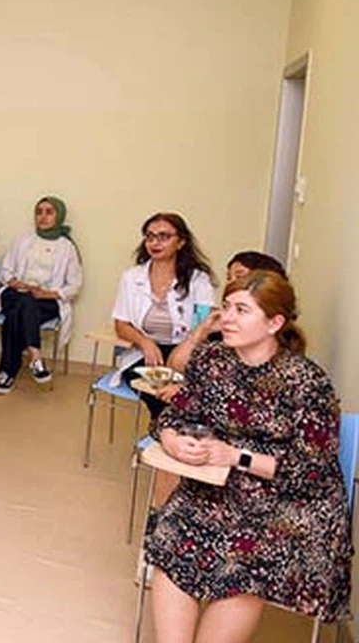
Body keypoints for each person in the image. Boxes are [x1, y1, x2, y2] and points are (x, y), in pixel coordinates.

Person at [146, 271, 352, 641]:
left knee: (247, 553)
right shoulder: (212, 360)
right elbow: (175, 416)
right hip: (221, 483)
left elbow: (311, 473)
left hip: (290, 500)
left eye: (241, 310)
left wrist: (234, 455)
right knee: (172, 529)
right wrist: (173, 441)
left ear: (274, 323)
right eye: (226, 307)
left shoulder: (306, 382)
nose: (227, 318)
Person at [112, 213, 215, 420]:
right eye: (150, 237)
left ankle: (166, 429)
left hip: (186, 350)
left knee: (190, 389)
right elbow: (121, 324)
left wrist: (183, 351)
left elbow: (203, 324)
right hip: (145, 354)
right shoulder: (132, 277)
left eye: (164, 237)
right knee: (158, 390)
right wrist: (145, 342)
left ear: (181, 242)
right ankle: (166, 428)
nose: (155, 243)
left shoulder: (198, 279)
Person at [0, 196, 83, 394]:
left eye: (49, 212)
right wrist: (15, 282)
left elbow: (75, 285)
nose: (43, 217)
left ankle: (7, 371)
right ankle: (36, 357)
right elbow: (6, 270)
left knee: (17, 314)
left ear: (59, 216)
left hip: (46, 300)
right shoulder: (23, 240)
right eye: (39, 212)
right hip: (15, 293)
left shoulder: (67, 248)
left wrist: (46, 293)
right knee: (25, 300)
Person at [163, 250, 287, 376]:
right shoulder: (220, 336)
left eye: (240, 277)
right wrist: (201, 330)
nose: (231, 284)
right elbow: (175, 367)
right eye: (229, 278)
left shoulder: (287, 365)